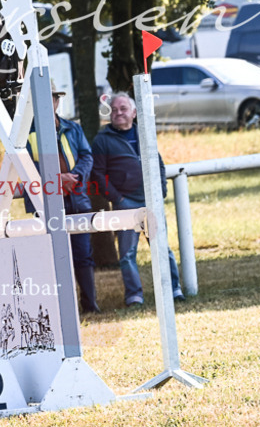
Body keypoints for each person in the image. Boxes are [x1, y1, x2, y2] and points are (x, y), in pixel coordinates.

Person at [90, 92, 185, 307]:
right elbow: (98, 174)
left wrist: (160, 192)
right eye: (114, 110)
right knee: (127, 255)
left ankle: (173, 289)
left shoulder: (144, 133)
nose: (118, 113)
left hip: (152, 201)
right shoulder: (102, 140)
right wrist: (117, 198)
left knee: (162, 248)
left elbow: (159, 164)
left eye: (123, 109)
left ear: (133, 112)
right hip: (125, 204)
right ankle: (134, 296)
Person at [26, 85, 100, 313]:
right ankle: (60, 310)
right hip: (46, 203)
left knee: (83, 255)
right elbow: (26, 167)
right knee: (52, 258)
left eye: (52, 99)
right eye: (42, 100)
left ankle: (90, 305)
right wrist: (58, 180)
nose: (49, 105)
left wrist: (75, 177)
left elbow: (87, 156)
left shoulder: (73, 128)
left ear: (58, 102)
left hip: (76, 199)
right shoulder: (25, 134)